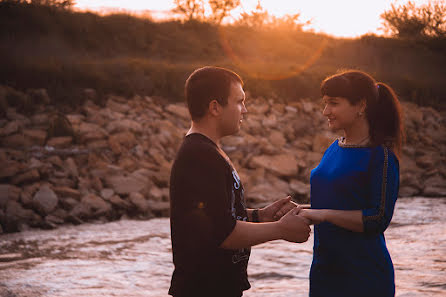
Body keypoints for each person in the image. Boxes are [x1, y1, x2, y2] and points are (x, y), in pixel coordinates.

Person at [168, 66, 310, 297]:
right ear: (215, 107)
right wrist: (280, 229)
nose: (244, 110)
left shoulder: (208, 151)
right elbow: (222, 233)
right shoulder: (199, 156)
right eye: (239, 101)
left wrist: (259, 216)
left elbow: (217, 217)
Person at [297, 70, 404, 296]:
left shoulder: (380, 156)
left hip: (363, 276)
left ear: (361, 106)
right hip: (324, 271)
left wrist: (323, 215)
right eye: (325, 104)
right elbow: (336, 204)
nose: (326, 111)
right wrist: (303, 212)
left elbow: (377, 218)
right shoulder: (334, 148)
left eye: (334, 103)